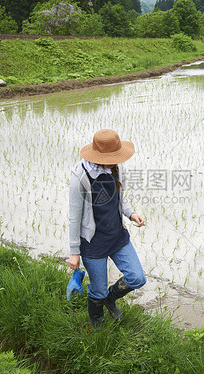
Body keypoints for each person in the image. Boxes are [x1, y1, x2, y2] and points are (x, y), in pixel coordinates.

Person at [68, 129, 146, 327]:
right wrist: (74, 252)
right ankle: (98, 324)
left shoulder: (115, 168)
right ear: (100, 155)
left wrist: (130, 213)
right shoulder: (80, 176)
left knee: (136, 277)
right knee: (98, 290)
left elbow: (120, 196)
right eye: (113, 156)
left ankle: (110, 298)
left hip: (117, 236)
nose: (117, 160)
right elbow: (74, 216)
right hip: (93, 243)